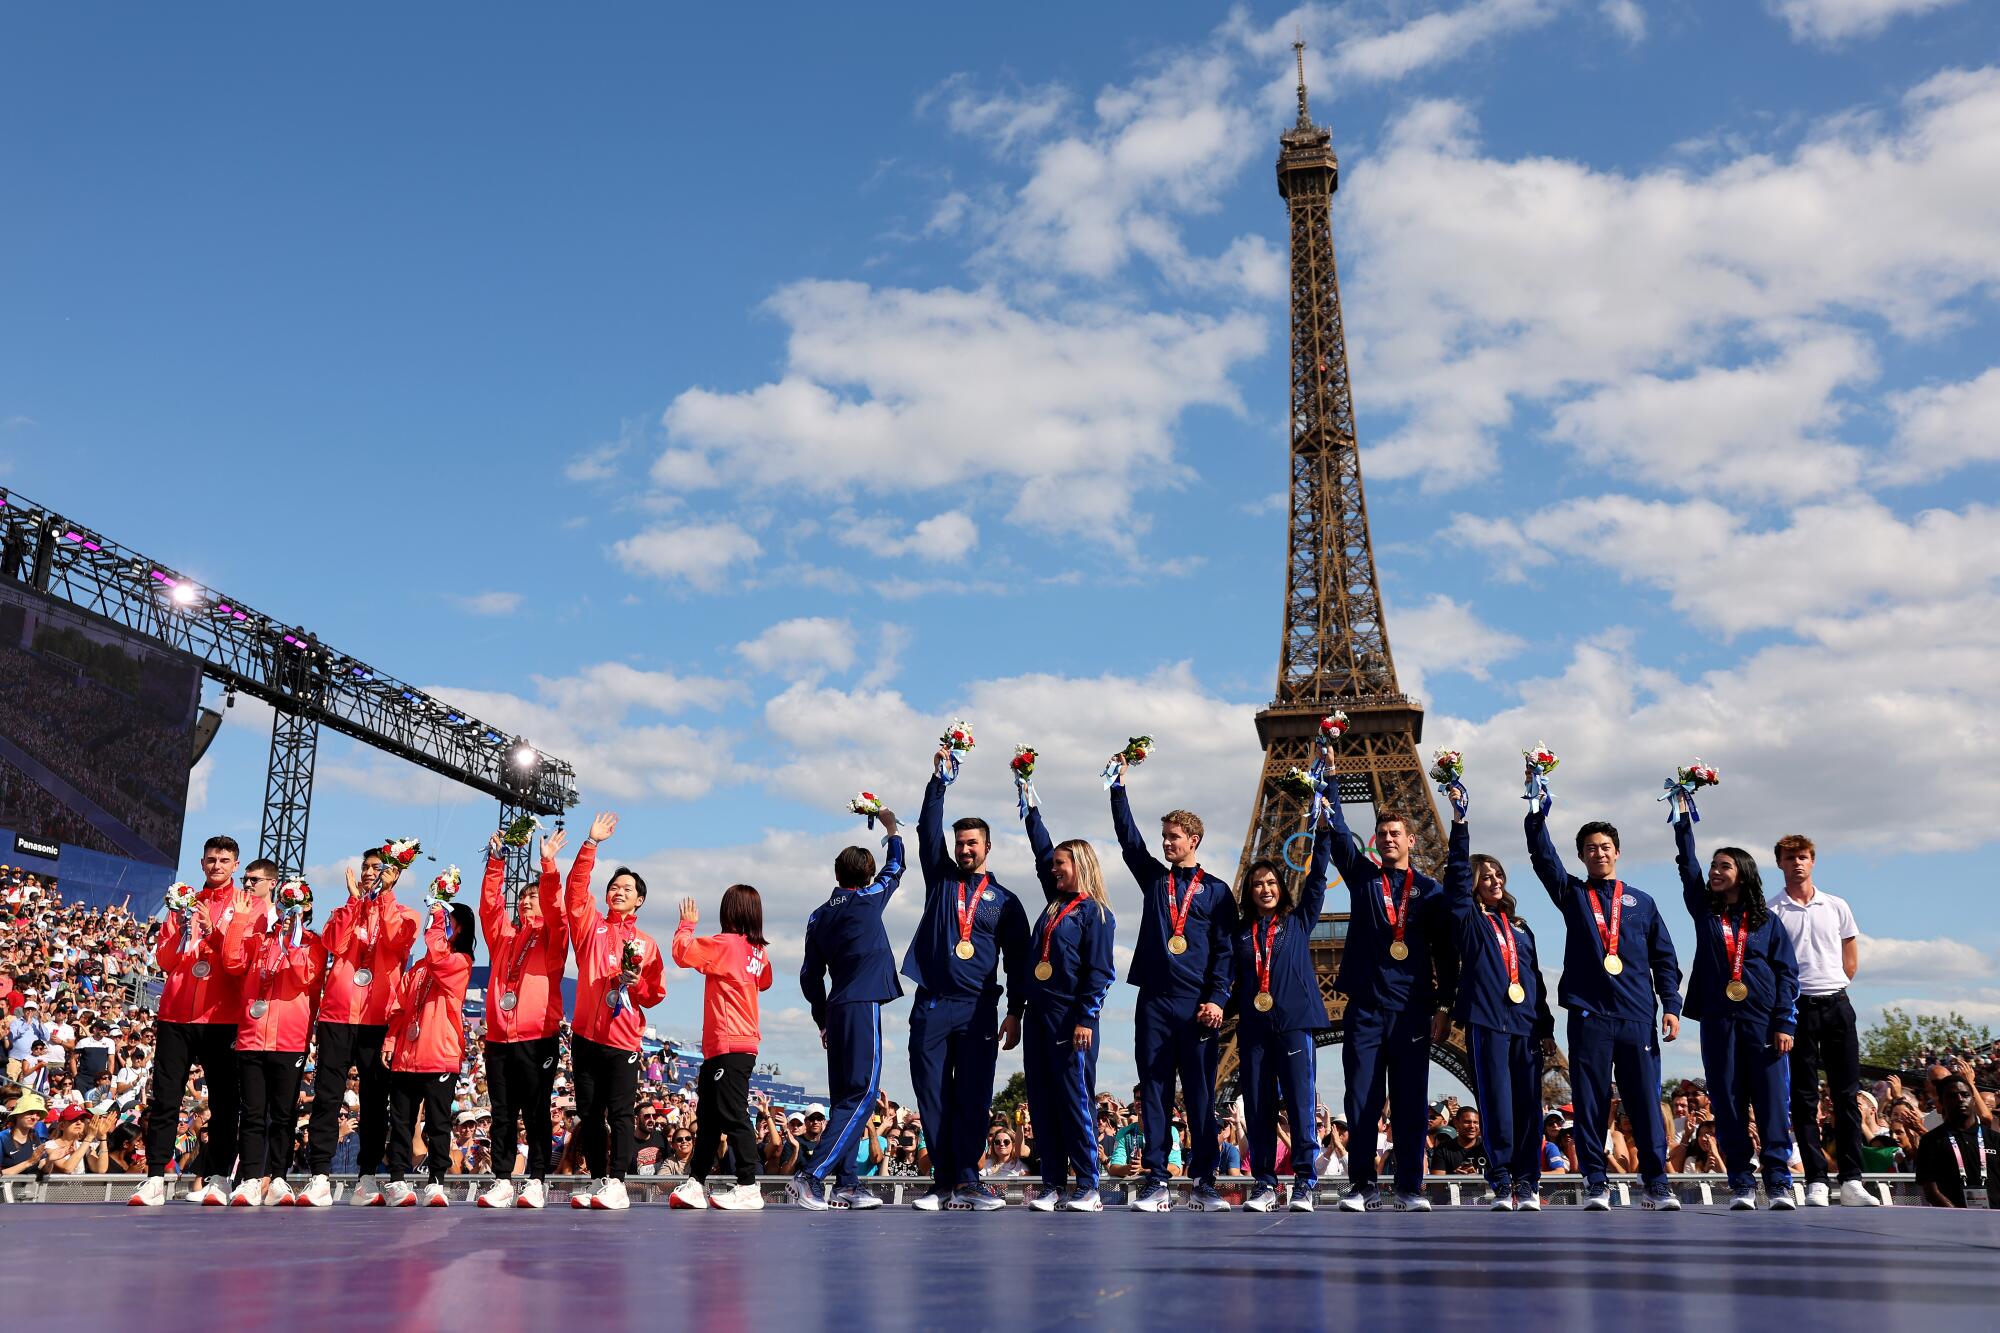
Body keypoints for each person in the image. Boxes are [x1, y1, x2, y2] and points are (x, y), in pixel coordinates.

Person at [1525, 774, 1683, 1211]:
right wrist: (1537, 809)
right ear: (1582, 856)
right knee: (1591, 1102)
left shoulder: (1643, 903)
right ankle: (1596, 1182)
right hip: (1591, 1013)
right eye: (1590, 848)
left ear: (1617, 852)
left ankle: (1657, 1183)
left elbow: (1665, 959)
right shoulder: (1573, 894)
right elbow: (1542, 858)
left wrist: (1670, 1004)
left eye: (1605, 846)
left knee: (1645, 1103)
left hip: (1636, 1014)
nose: (1599, 853)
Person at [1323, 756, 1458, 1213]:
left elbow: (1445, 952)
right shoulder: (1363, 877)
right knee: (1360, 1099)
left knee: (1410, 1101)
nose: (1387, 838)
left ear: (1411, 840)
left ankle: (1409, 1186)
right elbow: (1340, 834)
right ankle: (1362, 1185)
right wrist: (1331, 779)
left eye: (1395, 833)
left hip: (1412, 1008)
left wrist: (1445, 1005)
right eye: (1381, 834)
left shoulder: (1431, 891)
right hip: (1365, 1006)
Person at [901, 743, 1032, 1212]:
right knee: (932, 1096)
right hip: (933, 1003)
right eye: (960, 843)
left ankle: (970, 1179)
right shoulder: (940, 878)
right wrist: (940, 779)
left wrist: (1016, 1012)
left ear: (988, 846)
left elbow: (1019, 961)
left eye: (972, 843)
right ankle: (942, 1183)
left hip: (980, 1007)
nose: (964, 849)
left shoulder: (1005, 900)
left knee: (974, 1097)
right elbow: (925, 828)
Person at [1108, 752, 1238, 1211]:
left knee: (1202, 1096)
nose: (1166, 843)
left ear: (1194, 840)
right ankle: (1157, 1179)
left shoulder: (1218, 891)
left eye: (1173, 837)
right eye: (1164, 837)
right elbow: (1129, 844)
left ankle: (1205, 1180)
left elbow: (1226, 951)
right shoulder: (1154, 882)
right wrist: (1117, 789)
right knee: (1155, 1090)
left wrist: (1219, 997)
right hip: (1155, 1001)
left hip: (1198, 1005)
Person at [1672, 805, 1800, 1210]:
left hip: (1763, 1026)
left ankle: (1779, 1182)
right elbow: (1687, 866)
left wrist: (1785, 1023)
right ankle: (1742, 1182)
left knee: (1772, 1105)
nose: (1714, 871)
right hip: (1719, 1022)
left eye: (1723, 866)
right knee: (1727, 1103)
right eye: (1713, 865)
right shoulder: (1706, 913)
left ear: (1742, 873)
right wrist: (1682, 821)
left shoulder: (1768, 923)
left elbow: (1787, 975)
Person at [1440, 778, 1555, 1211]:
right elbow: (1454, 883)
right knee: (1498, 1105)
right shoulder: (1470, 922)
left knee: (1529, 1107)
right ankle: (1502, 1179)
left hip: (1525, 1025)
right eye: (1483, 875)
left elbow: (1536, 982)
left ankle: (1529, 1181)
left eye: (1498, 874)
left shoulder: (1522, 928)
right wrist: (1460, 823)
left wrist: (1544, 1026)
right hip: (1488, 1020)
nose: (1493, 879)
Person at [790, 812, 907, 1211]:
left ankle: (848, 1184)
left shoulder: (818, 915)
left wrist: (822, 1019)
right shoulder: (869, 898)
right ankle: (811, 1175)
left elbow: (810, 975)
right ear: (866, 875)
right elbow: (897, 867)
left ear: (836, 873)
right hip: (861, 1004)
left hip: (836, 1008)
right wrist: (891, 829)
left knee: (843, 1099)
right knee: (862, 1095)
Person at [132, 835, 253, 1208]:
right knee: (166, 1098)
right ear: (202, 864)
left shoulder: (246, 906)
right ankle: (155, 1177)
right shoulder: (182, 902)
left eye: (224, 860)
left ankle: (218, 1178)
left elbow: (236, 964)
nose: (216, 865)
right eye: (211, 859)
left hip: (221, 1017)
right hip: (175, 1014)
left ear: (236, 865)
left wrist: (212, 929)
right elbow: (166, 962)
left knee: (224, 1101)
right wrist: (185, 923)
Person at [299, 842, 421, 1209]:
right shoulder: (343, 910)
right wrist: (355, 902)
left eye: (378, 868)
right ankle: (319, 1174)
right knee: (327, 1097)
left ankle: (367, 1176)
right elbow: (333, 944)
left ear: (394, 873)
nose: (370, 873)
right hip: (337, 1015)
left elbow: (398, 941)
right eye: (367, 867)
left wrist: (382, 897)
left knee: (372, 1101)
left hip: (378, 1018)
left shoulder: (405, 914)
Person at [561, 812, 667, 1212]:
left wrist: (633, 980)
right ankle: (599, 1180)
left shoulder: (646, 944)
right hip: (586, 1035)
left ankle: (619, 1183)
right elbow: (575, 891)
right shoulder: (590, 927)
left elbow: (655, 994)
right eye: (614, 887)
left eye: (627, 888)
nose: (619, 891)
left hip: (622, 1039)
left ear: (639, 899)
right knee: (589, 1114)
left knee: (621, 1114)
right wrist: (591, 845)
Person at [1017, 784, 1116, 1212]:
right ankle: (1054, 1183)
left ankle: (1089, 1185)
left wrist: (1084, 1017)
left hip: (1071, 1017)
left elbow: (1100, 972)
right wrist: (1029, 804)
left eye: (1060, 865)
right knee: (1041, 1101)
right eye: (1052, 865)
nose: (1053, 870)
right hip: (1039, 1015)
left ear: (1080, 865)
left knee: (1074, 1100)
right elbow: (1041, 851)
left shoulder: (1094, 912)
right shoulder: (1054, 905)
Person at [1230, 807, 1333, 1214]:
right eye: (1257, 884)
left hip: (1292, 1023)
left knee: (1301, 1103)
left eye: (1271, 882)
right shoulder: (1240, 934)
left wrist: (1323, 831)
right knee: (1257, 1106)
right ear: (1249, 891)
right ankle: (1265, 1184)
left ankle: (1305, 1181)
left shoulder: (1299, 920)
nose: (1265, 888)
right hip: (1254, 1026)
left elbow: (1318, 881)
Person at [1768, 833, 1876, 1208]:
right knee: (1803, 1096)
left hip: (1836, 1003)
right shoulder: (1772, 911)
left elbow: (1850, 957)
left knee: (1846, 1094)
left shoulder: (1836, 905)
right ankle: (1815, 1178)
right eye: (1789, 858)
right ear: (1779, 863)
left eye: (1803, 857)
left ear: (1813, 861)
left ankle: (1852, 1179)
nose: (1797, 863)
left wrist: (1836, 984)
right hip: (1797, 1009)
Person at [474, 828, 570, 1211]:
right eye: (523, 898)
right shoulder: (503, 936)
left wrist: (547, 864)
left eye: (534, 897)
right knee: (501, 1113)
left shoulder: (552, 937)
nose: (528, 902)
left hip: (537, 1037)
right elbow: (488, 906)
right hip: (499, 1038)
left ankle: (536, 1180)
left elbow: (558, 910)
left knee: (535, 1110)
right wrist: (496, 861)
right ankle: (501, 1179)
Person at [666, 882, 775, 1211]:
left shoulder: (724, 944)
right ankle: (696, 1183)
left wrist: (687, 924)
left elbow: (682, 953)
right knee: (710, 1118)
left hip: (728, 1041)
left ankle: (748, 1185)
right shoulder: (758, 951)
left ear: (730, 911)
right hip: (734, 1044)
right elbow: (766, 981)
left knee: (733, 1115)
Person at [221, 863, 323, 1206]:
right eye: (284, 902)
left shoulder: (312, 943)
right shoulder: (259, 937)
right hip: (252, 1035)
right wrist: (239, 920)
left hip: (289, 1039)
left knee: (282, 1114)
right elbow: (233, 963)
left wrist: (292, 938)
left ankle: (277, 1177)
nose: (287, 908)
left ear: (306, 907)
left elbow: (305, 977)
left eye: (295, 903)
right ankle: (250, 1178)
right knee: (251, 1113)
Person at [379, 899, 475, 1207]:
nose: (441, 925)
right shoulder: (418, 968)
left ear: (458, 929)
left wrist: (437, 917)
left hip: (439, 1055)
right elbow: (398, 1009)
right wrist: (391, 1042)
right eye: (439, 920)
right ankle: (396, 1180)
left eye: (448, 921)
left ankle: (436, 1182)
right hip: (407, 1057)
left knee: (437, 1124)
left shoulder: (459, 962)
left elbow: (439, 957)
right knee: (402, 1122)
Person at [1915, 1075, 1995, 1209]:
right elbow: (1931, 1191)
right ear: (1941, 1102)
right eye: (1952, 1096)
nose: (1960, 1100)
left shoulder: (1995, 1139)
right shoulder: (1930, 1141)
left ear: (1974, 1100)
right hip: (1953, 1223)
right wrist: (1958, 1216)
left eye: (1965, 1095)